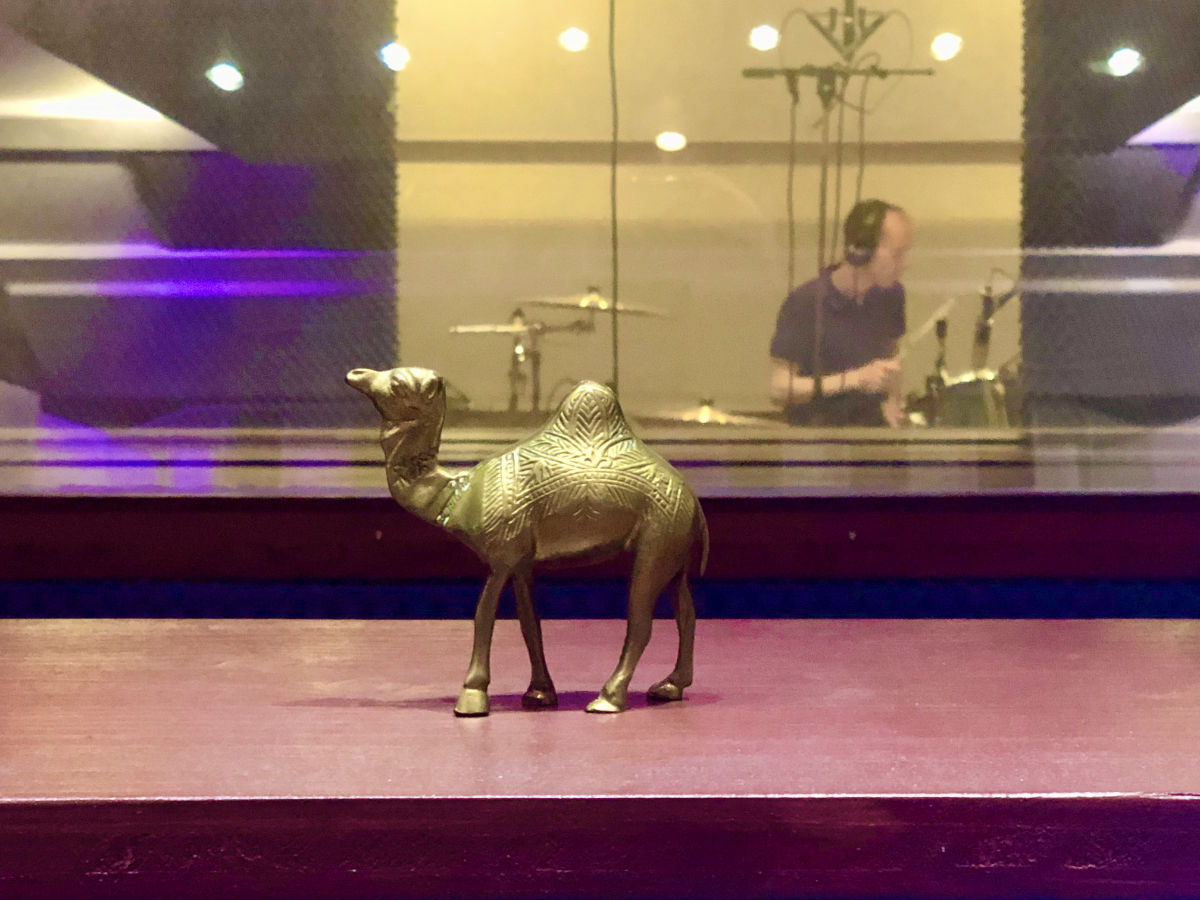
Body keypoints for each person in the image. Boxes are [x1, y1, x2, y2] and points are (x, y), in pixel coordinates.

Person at [768, 199, 912, 427]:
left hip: (873, 435)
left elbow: (891, 356)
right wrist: (855, 379)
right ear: (862, 251)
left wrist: (893, 400)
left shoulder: (891, 296)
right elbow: (780, 388)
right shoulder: (807, 303)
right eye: (897, 254)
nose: (905, 264)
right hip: (818, 436)